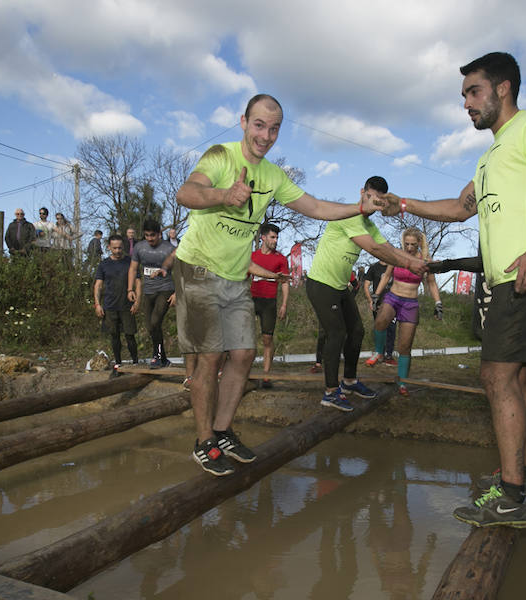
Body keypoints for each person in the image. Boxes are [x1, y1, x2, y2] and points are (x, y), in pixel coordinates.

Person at [380, 52, 526, 528]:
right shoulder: (491, 155)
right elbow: (458, 207)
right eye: (464, 96)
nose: (466, 104)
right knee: (515, 379)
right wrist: (402, 203)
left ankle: (511, 496)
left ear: (503, 88)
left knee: (495, 376)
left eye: (473, 92)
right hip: (506, 282)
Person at [169, 94, 387, 477]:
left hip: (236, 274)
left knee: (243, 354)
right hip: (198, 269)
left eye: (274, 129)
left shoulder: (272, 175)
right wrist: (224, 194)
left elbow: (317, 208)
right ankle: (204, 443)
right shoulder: (220, 156)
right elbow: (185, 193)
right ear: (243, 122)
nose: (266, 135)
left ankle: (222, 432)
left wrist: (360, 208)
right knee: (210, 356)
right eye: (259, 125)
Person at [307, 176, 427, 412]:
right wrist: (411, 264)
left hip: (339, 287)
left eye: (380, 201)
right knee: (337, 333)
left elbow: (388, 249)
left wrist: (416, 261)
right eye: (371, 198)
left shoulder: (369, 225)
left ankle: (349, 382)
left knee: (357, 331)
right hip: (321, 285)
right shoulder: (349, 215)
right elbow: (373, 248)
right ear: (362, 193)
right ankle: (330, 393)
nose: (375, 204)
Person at [365, 227, 442, 395]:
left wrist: (438, 303)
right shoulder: (397, 255)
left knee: (405, 346)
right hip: (393, 297)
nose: (409, 248)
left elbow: (431, 284)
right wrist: (376, 295)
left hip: (410, 303)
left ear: (419, 243)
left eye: (413, 244)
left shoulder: (425, 261)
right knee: (380, 321)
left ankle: (402, 383)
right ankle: (378, 352)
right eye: (406, 244)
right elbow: (386, 276)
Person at [128, 219, 176, 368]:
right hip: (148, 290)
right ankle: (164, 358)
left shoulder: (169, 248)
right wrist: (130, 289)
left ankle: (156, 356)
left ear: (159, 234)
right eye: (147, 235)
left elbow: (181, 271)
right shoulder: (139, 247)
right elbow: (133, 269)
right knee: (150, 326)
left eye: (153, 235)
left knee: (156, 321)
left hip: (166, 288)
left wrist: (177, 293)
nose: (150, 239)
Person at [250, 223, 290, 388]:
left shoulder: (281, 259)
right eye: (272, 237)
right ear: (263, 238)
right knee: (246, 338)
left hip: (269, 302)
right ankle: (245, 373)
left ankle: (266, 376)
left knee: (267, 338)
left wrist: (284, 304)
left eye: (277, 237)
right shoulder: (252, 256)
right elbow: (243, 278)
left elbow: (285, 283)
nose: (275, 240)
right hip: (251, 299)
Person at [93, 234, 139, 371]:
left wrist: (137, 302)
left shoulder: (130, 262)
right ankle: (118, 364)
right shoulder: (103, 264)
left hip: (127, 305)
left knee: (130, 335)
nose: (118, 251)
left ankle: (136, 362)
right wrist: (97, 304)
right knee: (114, 336)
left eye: (120, 248)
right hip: (110, 305)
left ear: (123, 247)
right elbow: (98, 285)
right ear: (109, 248)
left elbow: (138, 281)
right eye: (114, 248)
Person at [363, 260, 398, 366]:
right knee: (380, 329)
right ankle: (380, 354)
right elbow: (366, 284)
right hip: (378, 304)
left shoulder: (394, 266)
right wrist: (370, 300)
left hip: (392, 303)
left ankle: (389, 356)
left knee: (391, 329)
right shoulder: (374, 267)